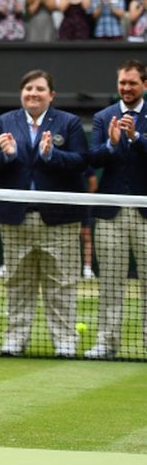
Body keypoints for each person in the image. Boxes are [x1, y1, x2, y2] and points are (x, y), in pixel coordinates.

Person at [0, 70, 87, 358]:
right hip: (15, 217)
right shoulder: (4, 122)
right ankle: (15, 340)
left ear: (51, 95)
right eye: (28, 88)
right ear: (21, 93)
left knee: (62, 284)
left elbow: (81, 161)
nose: (33, 93)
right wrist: (7, 155)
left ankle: (65, 342)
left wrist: (51, 155)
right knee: (18, 284)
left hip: (59, 219)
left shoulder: (69, 123)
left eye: (40, 89)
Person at [85, 60, 147, 359]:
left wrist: (135, 137)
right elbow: (93, 159)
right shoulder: (103, 117)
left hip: (145, 212)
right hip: (111, 213)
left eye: (132, 83)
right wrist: (110, 144)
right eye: (123, 83)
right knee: (110, 282)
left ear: (144, 84)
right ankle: (107, 343)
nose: (126, 88)